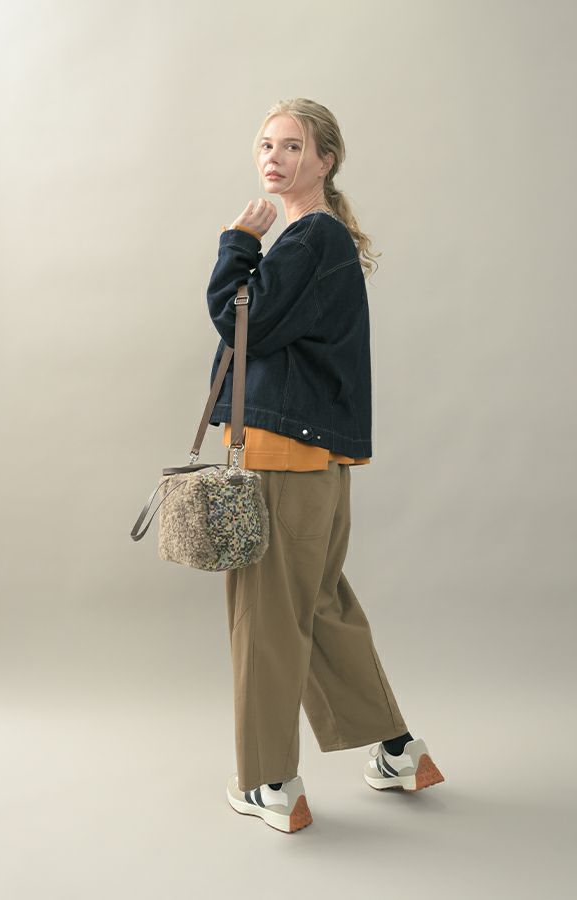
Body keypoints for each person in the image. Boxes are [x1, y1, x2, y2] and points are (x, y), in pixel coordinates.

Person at [205, 98, 444, 834]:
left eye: (292, 146)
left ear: (325, 161)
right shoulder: (322, 238)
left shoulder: (308, 238)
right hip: (312, 461)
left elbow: (240, 318)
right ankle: (399, 753)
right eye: (265, 145)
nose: (273, 158)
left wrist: (239, 244)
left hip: (282, 459)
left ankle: (270, 783)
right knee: (318, 605)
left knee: (267, 617)